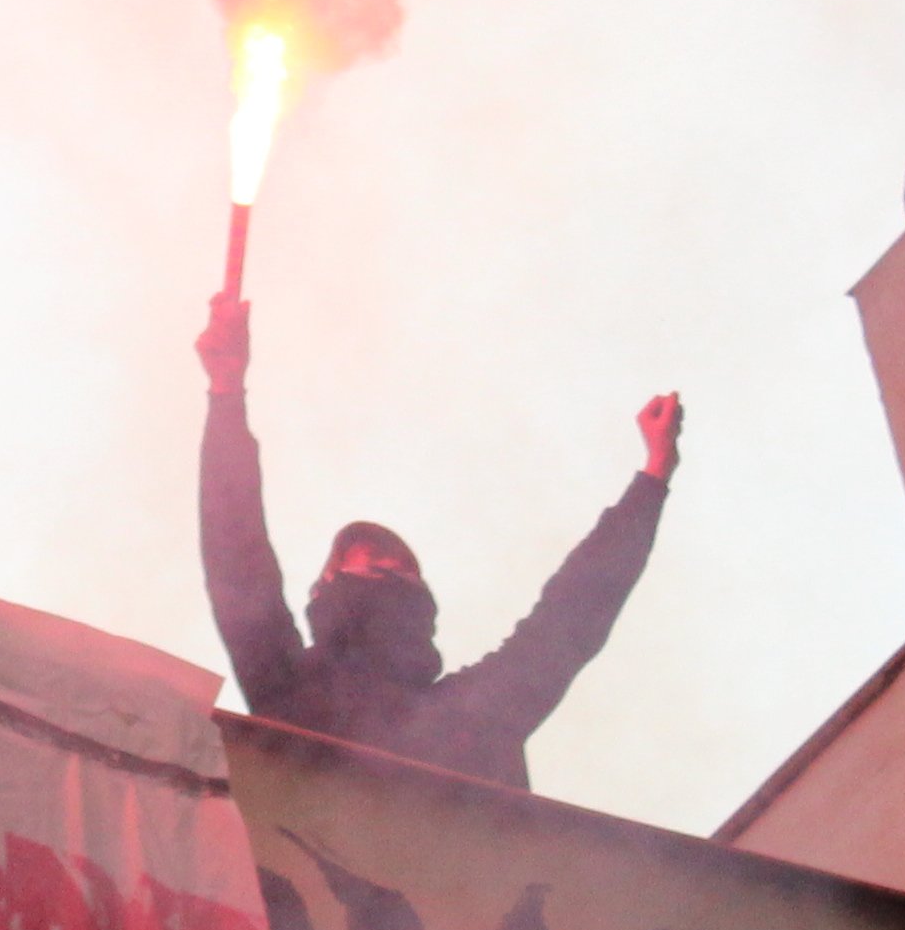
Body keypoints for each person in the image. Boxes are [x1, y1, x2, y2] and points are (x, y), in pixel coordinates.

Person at [197, 293, 678, 788]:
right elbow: (237, 555)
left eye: (401, 569)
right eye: (370, 563)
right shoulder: (286, 686)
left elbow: (572, 612)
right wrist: (226, 393)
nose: (389, 570)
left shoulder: (475, 711)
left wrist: (653, 477)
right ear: (325, 587)